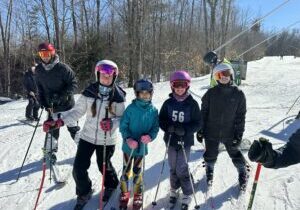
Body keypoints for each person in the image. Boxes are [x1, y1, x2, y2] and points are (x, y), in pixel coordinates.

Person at [48, 60, 126, 208]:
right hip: (87, 137)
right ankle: (84, 191)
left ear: (114, 77)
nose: (106, 79)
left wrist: (112, 123)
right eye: (103, 75)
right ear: (98, 75)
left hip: (106, 139)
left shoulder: (118, 96)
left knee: (103, 165)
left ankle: (111, 184)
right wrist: (60, 121)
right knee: (78, 167)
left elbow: (123, 118)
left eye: (109, 76)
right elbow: (77, 112)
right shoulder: (89, 92)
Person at [196, 62, 248, 190]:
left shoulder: (239, 94)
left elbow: (241, 117)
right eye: (220, 75)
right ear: (216, 77)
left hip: (230, 133)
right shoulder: (210, 93)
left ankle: (242, 171)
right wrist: (200, 130)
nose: (223, 77)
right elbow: (203, 113)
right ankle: (209, 169)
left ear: (231, 74)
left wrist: (238, 135)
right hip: (211, 131)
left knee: (235, 153)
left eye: (226, 74)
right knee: (210, 154)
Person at [159, 70, 201, 210]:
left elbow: (198, 123)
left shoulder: (192, 104)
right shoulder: (168, 103)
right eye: (177, 85)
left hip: (185, 141)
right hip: (171, 140)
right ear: (172, 86)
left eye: (182, 85)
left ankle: (187, 192)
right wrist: (167, 127)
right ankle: (174, 189)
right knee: (172, 167)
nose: (180, 88)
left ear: (187, 86)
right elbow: (162, 119)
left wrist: (186, 130)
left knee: (182, 168)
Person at [119, 79, 159, 209]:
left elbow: (155, 128)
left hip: (141, 148)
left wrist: (150, 137)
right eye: (142, 94)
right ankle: (124, 192)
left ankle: (137, 194)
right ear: (137, 94)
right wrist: (128, 138)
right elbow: (123, 126)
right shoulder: (131, 109)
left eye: (147, 93)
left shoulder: (153, 110)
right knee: (126, 171)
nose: (145, 96)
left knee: (137, 171)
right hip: (128, 147)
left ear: (151, 94)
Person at [36, 42, 79, 151]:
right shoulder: (39, 70)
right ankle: (50, 151)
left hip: (67, 105)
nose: (45, 57)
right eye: (42, 55)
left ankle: (83, 150)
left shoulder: (62, 68)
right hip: (52, 106)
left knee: (73, 129)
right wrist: (42, 101)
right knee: (52, 129)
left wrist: (62, 95)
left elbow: (73, 83)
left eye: (47, 54)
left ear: (52, 53)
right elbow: (40, 87)